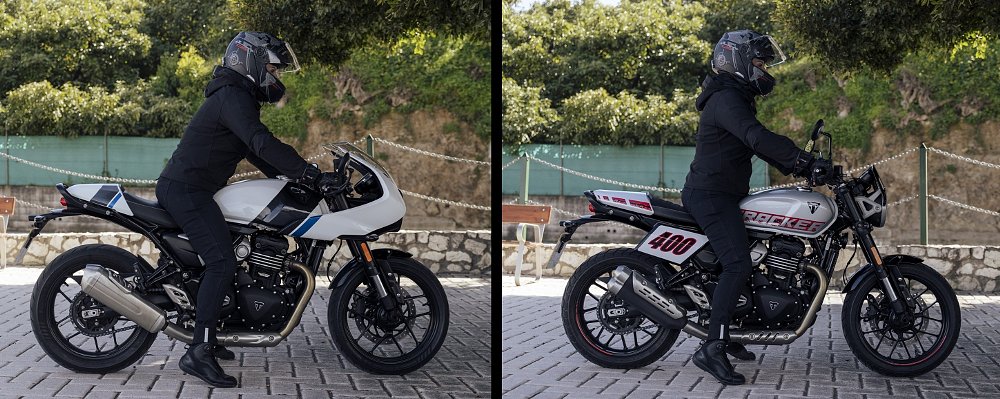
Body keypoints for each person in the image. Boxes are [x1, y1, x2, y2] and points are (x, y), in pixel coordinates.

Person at [156, 31, 328, 388]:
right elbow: (260, 141)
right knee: (222, 261)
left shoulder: (237, 97)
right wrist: (309, 172)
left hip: (194, 190)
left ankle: (211, 334)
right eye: (271, 67)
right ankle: (198, 351)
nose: (276, 76)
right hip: (187, 192)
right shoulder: (232, 96)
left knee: (228, 254)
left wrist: (293, 179)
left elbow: (254, 151)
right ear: (248, 61)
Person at [681, 30, 832, 385]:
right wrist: (801, 161)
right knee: (737, 262)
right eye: (759, 62)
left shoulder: (732, 97)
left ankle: (730, 331)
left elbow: (757, 141)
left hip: (725, 195)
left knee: (750, 258)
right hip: (712, 197)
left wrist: (801, 162)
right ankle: (712, 348)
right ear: (736, 60)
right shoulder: (725, 99)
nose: (763, 69)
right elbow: (756, 137)